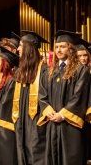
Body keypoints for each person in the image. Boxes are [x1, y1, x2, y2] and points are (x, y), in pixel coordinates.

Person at [37, 30, 89, 165]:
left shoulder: (80, 69)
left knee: (70, 158)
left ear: (70, 48)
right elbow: (42, 93)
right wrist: (48, 110)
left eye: (62, 46)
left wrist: (63, 114)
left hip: (70, 124)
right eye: (57, 47)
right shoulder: (50, 70)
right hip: (52, 122)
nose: (58, 50)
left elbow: (79, 95)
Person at [13, 30, 49, 165]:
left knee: (36, 153)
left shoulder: (43, 70)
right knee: (22, 153)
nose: (18, 49)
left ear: (28, 48)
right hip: (22, 120)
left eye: (21, 45)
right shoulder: (20, 71)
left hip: (37, 122)